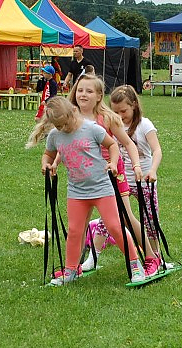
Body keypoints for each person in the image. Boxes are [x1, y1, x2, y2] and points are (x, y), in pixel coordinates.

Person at [26, 96, 146, 286]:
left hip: (102, 189)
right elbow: (48, 154)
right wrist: (46, 164)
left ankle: (135, 265)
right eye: (58, 126)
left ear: (73, 112)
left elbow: (112, 145)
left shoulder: (92, 129)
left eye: (65, 123)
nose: (63, 128)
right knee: (74, 231)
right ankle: (71, 270)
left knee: (115, 227)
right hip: (77, 192)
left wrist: (113, 163)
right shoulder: (55, 135)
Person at [66, 74, 159, 275]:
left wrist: (136, 166)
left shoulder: (107, 118)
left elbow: (128, 144)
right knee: (80, 223)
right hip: (85, 178)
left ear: (99, 95)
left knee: (125, 217)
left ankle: (151, 257)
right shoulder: (72, 117)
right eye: (80, 90)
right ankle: (75, 266)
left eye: (89, 91)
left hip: (113, 174)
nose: (83, 94)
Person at [108, 84, 164, 263]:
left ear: (134, 105)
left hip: (144, 180)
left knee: (151, 220)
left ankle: (156, 256)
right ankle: (93, 257)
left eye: (123, 111)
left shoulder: (144, 125)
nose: (119, 116)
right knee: (110, 217)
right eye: (115, 112)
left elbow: (157, 150)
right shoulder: (114, 126)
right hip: (121, 181)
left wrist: (153, 170)